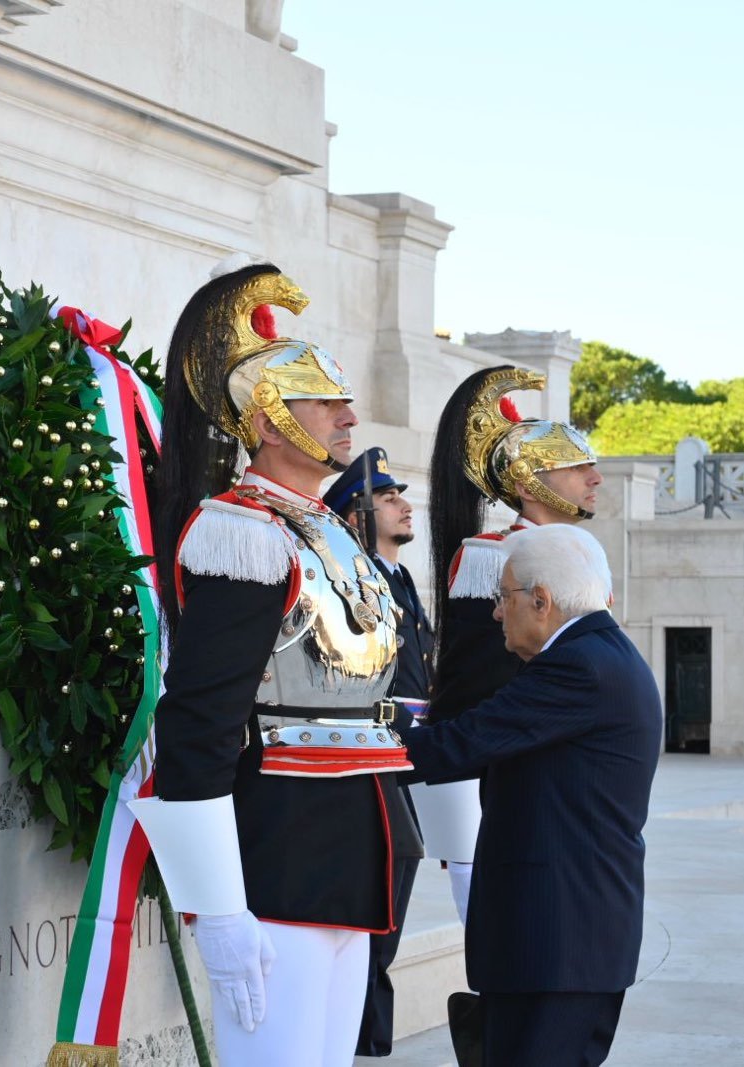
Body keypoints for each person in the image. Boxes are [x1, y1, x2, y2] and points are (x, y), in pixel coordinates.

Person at [128, 264, 415, 1067]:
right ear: (270, 418)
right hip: (278, 860)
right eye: (326, 401)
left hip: (351, 858)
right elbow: (199, 722)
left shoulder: (325, 530)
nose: (348, 416)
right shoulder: (244, 533)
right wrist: (219, 906)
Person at [403, 523, 661, 1066]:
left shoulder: (578, 667)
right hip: (562, 942)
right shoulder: (601, 654)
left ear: (541, 601)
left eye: (504, 596)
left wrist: (345, 740)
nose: (498, 613)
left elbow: (460, 743)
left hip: (558, 945)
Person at [425, 366, 601, 925]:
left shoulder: (580, 556)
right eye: (575, 466)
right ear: (527, 484)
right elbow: (476, 687)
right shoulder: (491, 557)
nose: (594, 477)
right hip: (497, 787)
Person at [322, 447, 434, 1058]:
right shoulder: (357, 581)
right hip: (374, 748)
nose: (402, 506)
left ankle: (366, 1031)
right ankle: (361, 1032)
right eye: (387, 499)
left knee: (397, 880)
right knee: (382, 887)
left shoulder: (400, 579)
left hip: (408, 750)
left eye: (400, 496)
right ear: (355, 516)